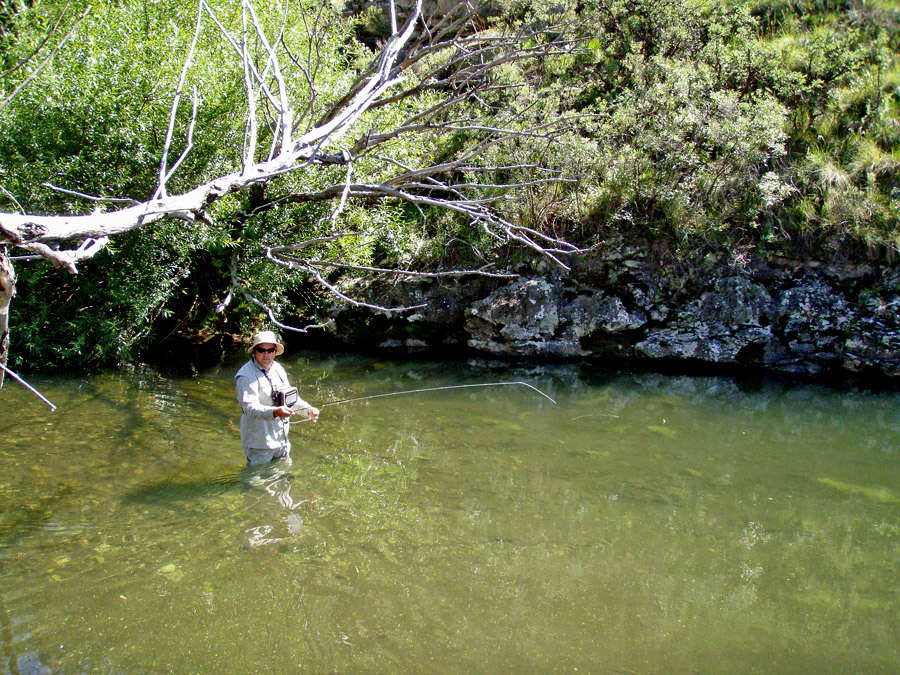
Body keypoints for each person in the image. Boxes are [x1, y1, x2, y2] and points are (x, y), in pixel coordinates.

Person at [234, 330, 319, 466]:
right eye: (262, 350)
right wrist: (275, 412)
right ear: (255, 352)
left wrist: (308, 410)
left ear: (275, 351)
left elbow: (290, 398)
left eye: (270, 350)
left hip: (282, 439)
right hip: (259, 444)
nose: (266, 354)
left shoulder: (277, 369)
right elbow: (249, 408)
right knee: (255, 483)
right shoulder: (245, 376)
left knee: (283, 479)